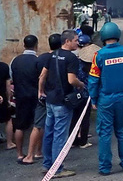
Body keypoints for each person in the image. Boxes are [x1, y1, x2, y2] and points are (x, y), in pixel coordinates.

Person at [88, 22, 123, 175]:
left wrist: (93, 99)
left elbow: (93, 80)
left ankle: (105, 167)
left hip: (106, 99)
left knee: (105, 133)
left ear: (103, 36)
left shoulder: (99, 55)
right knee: (122, 131)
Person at [39, 29, 84, 178]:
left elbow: (42, 75)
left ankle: (47, 164)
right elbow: (71, 80)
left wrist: (41, 92)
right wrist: (81, 84)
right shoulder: (71, 58)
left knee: (49, 132)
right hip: (63, 101)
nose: (78, 43)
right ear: (67, 41)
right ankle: (57, 169)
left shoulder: (52, 55)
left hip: (50, 100)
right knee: (60, 135)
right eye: (76, 40)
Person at [20, 33, 61, 165]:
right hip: (56, 96)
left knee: (39, 125)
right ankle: (39, 153)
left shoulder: (40, 59)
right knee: (49, 126)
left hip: (42, 97)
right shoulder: (61, 58)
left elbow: (37, 77)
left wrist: (40, 91)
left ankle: (33, 154)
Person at [10, 34, 40, 163]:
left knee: (20, 126)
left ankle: (19, 153)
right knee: (38, 125)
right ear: (36, 45)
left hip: (20, 96)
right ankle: (37, 152)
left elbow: (11, 78)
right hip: (35, 96)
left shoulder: (15, 61)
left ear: (24, 45)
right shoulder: (38, 61)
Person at [70, 34, 98, 149]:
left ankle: (73, 140)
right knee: (85, 118)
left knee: (74, 117)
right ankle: (83, 141)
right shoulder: (92, 66)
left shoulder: (77, 62)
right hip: (87, 94)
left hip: (76, 93)